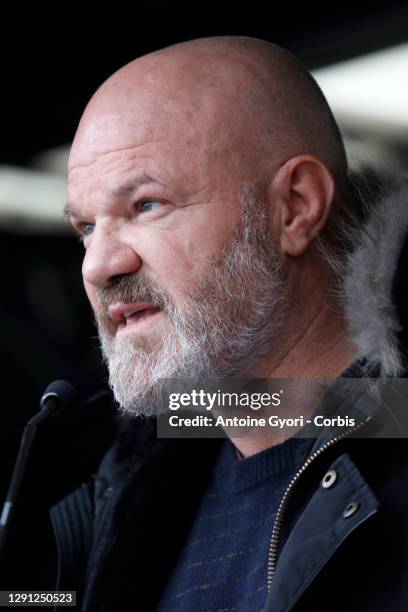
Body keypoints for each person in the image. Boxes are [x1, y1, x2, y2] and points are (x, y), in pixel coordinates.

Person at [13, 36, 408, 610]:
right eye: (86, 228)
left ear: (295, 207)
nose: (98, 266)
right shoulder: (126, 486)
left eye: (147, 205)